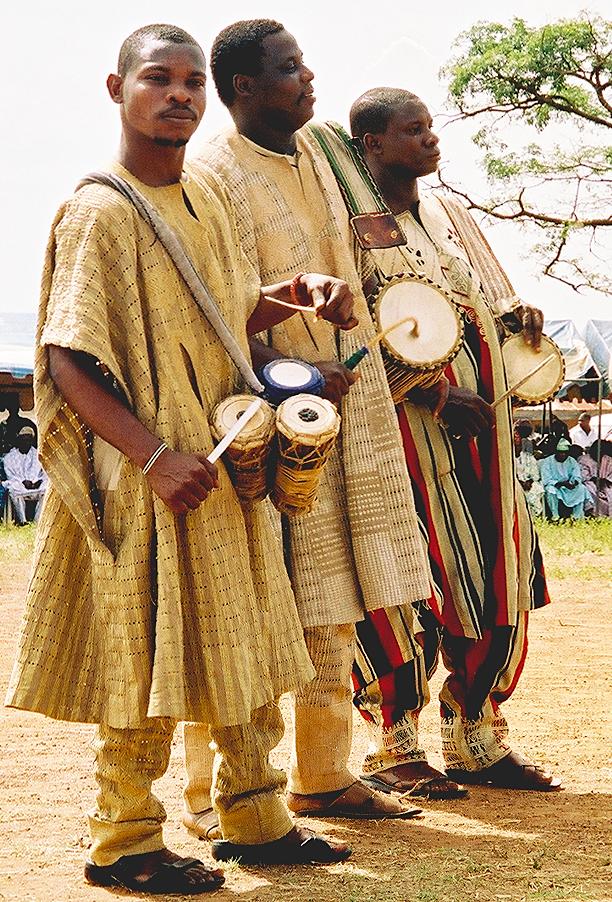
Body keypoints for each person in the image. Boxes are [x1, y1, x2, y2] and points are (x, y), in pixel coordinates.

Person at [5, 24, 362, 894]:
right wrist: (154, 456)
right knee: (143, 655)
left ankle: (254, 817)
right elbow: (66, 357)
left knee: (246, 642)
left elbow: (218, 316)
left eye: (192, 82)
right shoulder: (101, 207)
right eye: (158, 80)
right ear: (117, 89)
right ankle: (122, 840)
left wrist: (291, 298)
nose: (179, 96)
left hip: (221, 463)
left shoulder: (201, 201)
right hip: (149, 479)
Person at [183, 18, 430, 829]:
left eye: (303, 63)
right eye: (289, 68)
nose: (308, 77)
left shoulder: (320, 153)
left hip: (345, 413)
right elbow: (211, 305)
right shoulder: (211, 171)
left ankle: (323, 775)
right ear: (244, 88)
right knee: (246, 605)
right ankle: (215, 796)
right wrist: (284, 370)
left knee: (333, 599)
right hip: (267, 414)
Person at [343, 87, 561, 793]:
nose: (431, 139)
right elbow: (344, 334)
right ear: (372, 143)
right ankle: (393, 743)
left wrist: (516, 321)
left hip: (483, 444)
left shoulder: (451, 215)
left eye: (432, 126)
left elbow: (490, 305)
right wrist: (429, 389)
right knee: (401, 580)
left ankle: (475, 734)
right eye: (414, 130)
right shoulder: (346, 225)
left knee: (497, 575)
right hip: (399, 443)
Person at [1, 426, 47, 524]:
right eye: (24, 439)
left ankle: (37, 521)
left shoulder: (38, 455)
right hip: (20, 485)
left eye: (28, 440)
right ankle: (23, 521)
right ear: (19, 440)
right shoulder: (10, 457)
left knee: (47, 487)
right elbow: (10, 475)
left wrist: (37, 481)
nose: (26, 442)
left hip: (36, 486)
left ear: (31, 441)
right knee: (13, 487)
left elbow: (44, 472)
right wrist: (23, 481)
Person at [541, 438, 589, 520]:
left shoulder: (572, 461)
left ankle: (576, 516)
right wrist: (560, 483)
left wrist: (574, 482)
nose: (562, 455)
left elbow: (577, 475)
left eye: (565, 453)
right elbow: (546, 479)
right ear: (556, 452)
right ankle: (555, 516)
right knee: (550, 490)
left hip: (568, 486)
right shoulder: (548, 461)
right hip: (555, 486)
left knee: (582, 489)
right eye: (560, 452)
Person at [514, 427, 544, 518]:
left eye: (518, 437)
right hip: (515, 484)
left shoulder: (528, 457)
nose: (518, 447)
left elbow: (535, 475)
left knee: (535, 489)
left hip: (529, 483)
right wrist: (520, 483)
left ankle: (531, 517)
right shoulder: (507, 458)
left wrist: (529, 482)